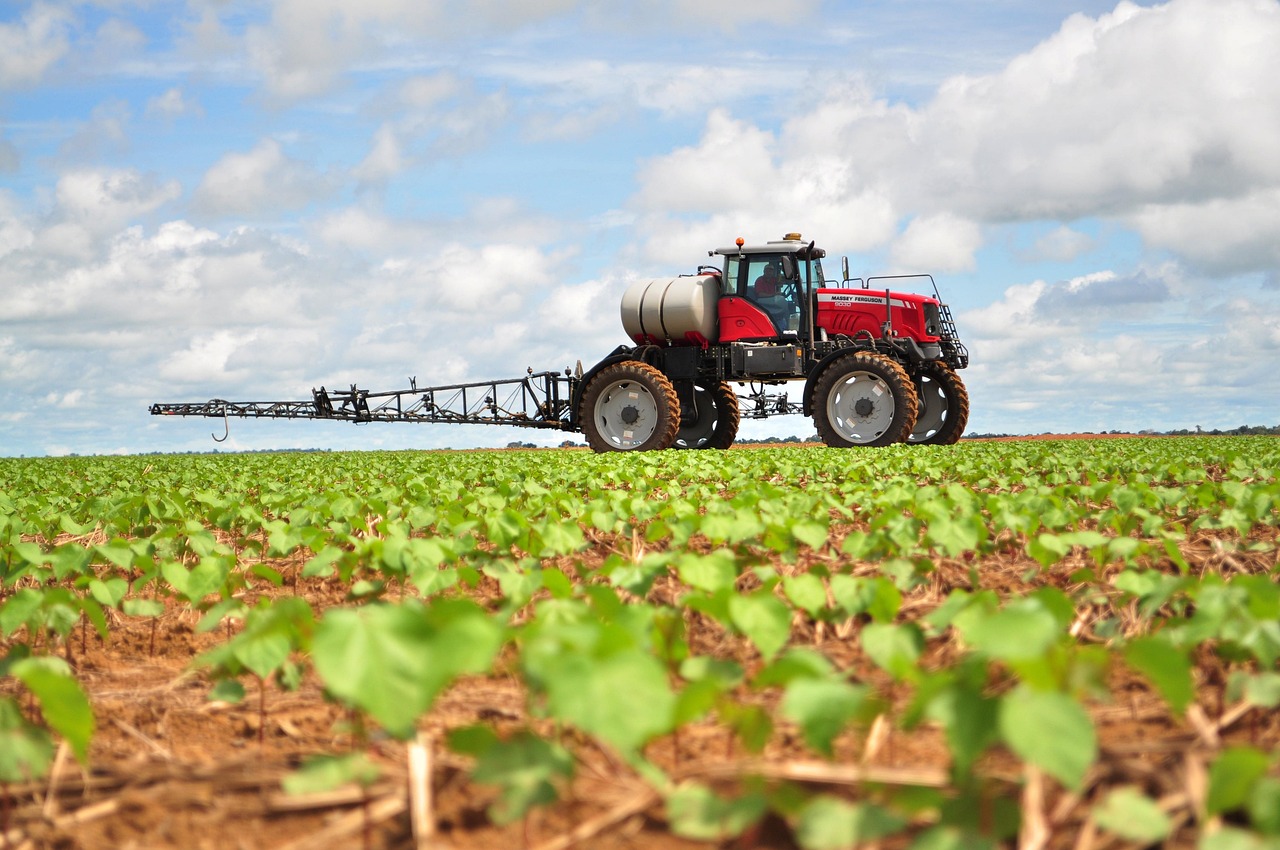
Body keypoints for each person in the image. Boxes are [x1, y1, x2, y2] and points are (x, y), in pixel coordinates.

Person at [752, 266, 792, 330]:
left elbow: (782, 281)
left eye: (771, 271)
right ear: (764, 271)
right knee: (784, 307)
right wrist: (774, 294)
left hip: (771, 301)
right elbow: (760, 294)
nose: (769, 272)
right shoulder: (759, 280)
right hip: (762, 302)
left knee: (787, 305)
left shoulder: (773, 280)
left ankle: (783, 327)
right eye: (768, 270)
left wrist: (792, 280)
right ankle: (785, 328)